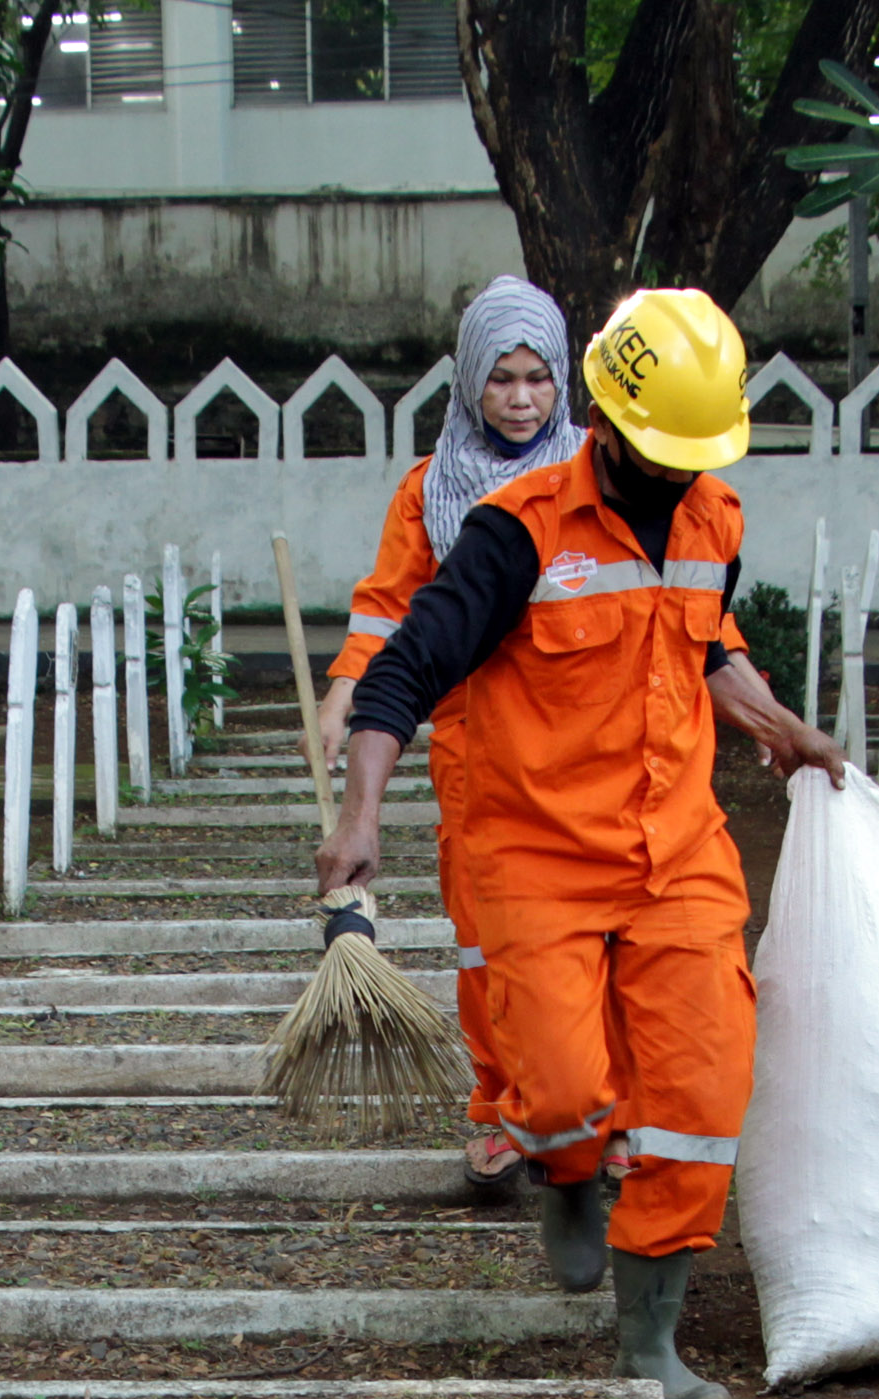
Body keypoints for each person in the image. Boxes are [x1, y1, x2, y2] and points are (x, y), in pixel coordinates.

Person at [319, 288, 851, 1399]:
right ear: (604, 418)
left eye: (690, 457)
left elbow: (704, 644)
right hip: (535, 849)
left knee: (703, 1088)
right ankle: (565, 1170)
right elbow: (401, 673)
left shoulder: (716, 516)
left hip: (678, 849)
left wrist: (781, 729)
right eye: (657, 453)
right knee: (560, 1089)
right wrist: (360, 819)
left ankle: (648, 1339)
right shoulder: (514, 530)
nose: (674, 476)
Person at [320, 276, 589, 1186]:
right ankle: (504, 1107)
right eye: (501, 379)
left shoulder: (598, 474)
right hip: (477, 754)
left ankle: (594, 1110)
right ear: (470, 381)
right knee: (484, 938)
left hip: (585, 750)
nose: (520, 399)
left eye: (539, 379)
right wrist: (345, 692)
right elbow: (389, 608)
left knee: (591, 940)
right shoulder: (431, 490)